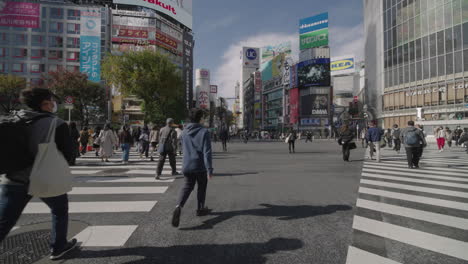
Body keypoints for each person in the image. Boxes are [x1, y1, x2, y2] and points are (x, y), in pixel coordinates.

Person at [0, 88, 77, 260]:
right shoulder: (56, 123)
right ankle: (58, 247)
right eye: (52, 101)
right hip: (44, 177)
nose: (54, 104)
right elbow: (70, 154)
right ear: (46, 103)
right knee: (59, 210)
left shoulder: (14, 118)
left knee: (4, 221)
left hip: (13, 178)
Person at [171, 109, 213, 228]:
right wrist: (209, 169)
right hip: (200, 166)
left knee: (187, 186)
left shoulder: (184, 132)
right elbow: (207, 152)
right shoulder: (204, 132)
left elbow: (183, 147)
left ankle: (178, 206)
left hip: (187, 165)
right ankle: (200, 208)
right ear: (200, 118)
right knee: (201, 186)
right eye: (203, 117)